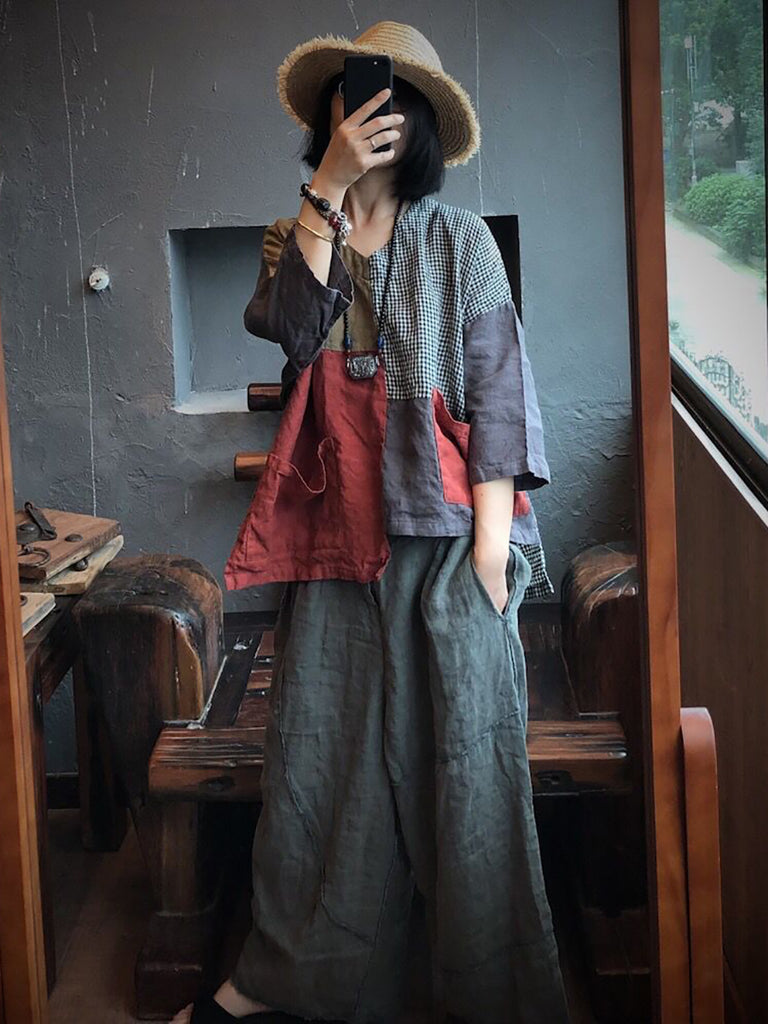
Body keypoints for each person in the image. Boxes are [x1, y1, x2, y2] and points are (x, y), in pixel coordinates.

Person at [175, 20, 570, 1024]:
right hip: (334, 541)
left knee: (469, 767)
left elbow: (499, 393)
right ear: (332, 113)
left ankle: (493, 992)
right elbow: (294, 331)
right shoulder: (297, 236)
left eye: (393, 101)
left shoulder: (462, 241)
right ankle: (287, 979)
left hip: (451, 544)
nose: (371, 116)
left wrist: (491, 552)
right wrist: (329, 191)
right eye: (354, 98)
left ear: (423, 121)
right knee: (319, 759)